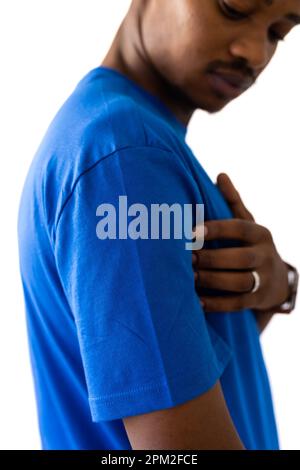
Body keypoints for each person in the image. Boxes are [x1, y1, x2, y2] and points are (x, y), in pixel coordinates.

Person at [17, 0, 299, 450]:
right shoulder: (124, 159)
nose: (255, 52)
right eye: (234, 8)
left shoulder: (116, 139)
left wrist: (280, 288)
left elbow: (163, 365)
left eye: (279, 33)